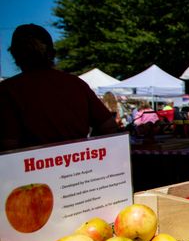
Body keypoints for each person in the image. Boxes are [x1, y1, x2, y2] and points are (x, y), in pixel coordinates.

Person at [0, 24, 118, 152]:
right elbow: (109, 126)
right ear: (52, 53)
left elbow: (8, 145)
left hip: (33, 168)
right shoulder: (76, 84)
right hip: (80, 166)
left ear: (15, 56)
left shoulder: (7, 90)